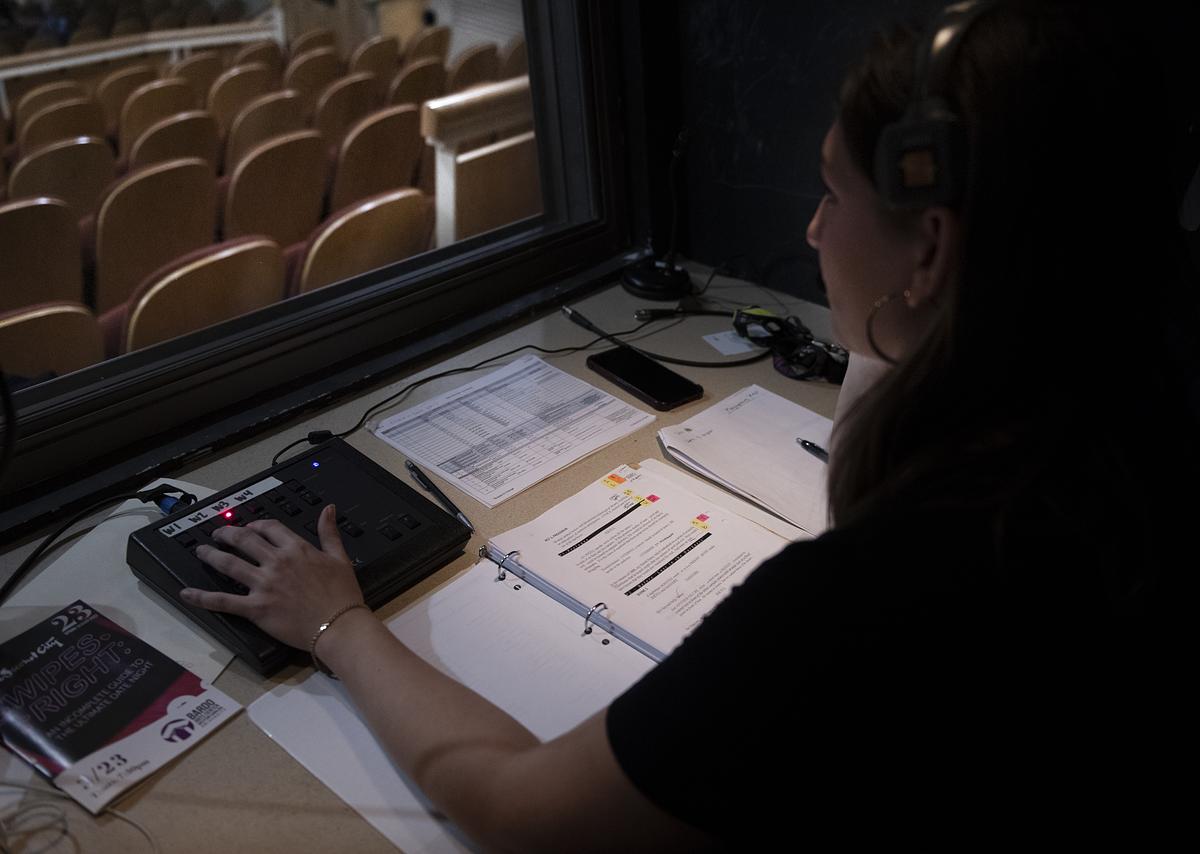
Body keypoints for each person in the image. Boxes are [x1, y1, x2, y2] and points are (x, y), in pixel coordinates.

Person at [182, 0, 1197, 847]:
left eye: (832, 189)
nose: (810, 228)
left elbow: (517, 808)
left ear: (931, 248)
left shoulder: (873, 595)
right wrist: (916, 321)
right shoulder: (1124, 433)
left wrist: (338, 622)